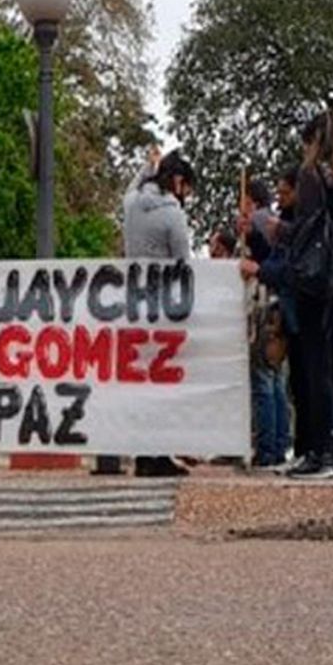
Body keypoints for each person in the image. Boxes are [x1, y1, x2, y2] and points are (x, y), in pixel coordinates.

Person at [268, 112, 333, 480]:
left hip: (316, 281)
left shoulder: (310, 176)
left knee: (316, 366)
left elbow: (306, 233)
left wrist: (278, 230)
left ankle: (318, 452)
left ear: (311, 143)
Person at [107, 149, 196, 479]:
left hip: (133, 304)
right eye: (186, 188)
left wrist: (148, 166)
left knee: (140, 381)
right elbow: (182, 261)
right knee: (162, 382)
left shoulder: (131, 203)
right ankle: (157, 454)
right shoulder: (173, 215)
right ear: (177, 182)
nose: (186, 196)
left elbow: (134, 183)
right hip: (162, 309)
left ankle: (144, 452)